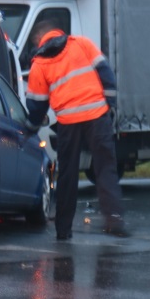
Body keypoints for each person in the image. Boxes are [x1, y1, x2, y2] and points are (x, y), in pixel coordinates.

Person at [25, 24, 127, 240]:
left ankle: (63, 230)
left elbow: (37, 105)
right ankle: (115, 219)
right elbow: (106, 74)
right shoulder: (82, 44)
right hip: (97, 117)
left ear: (39, 42)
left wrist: (30, 128)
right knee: (105, 169)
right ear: (60, 33)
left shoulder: (39, 64)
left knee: (68, 176)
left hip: (68, 122)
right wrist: (110, 105)